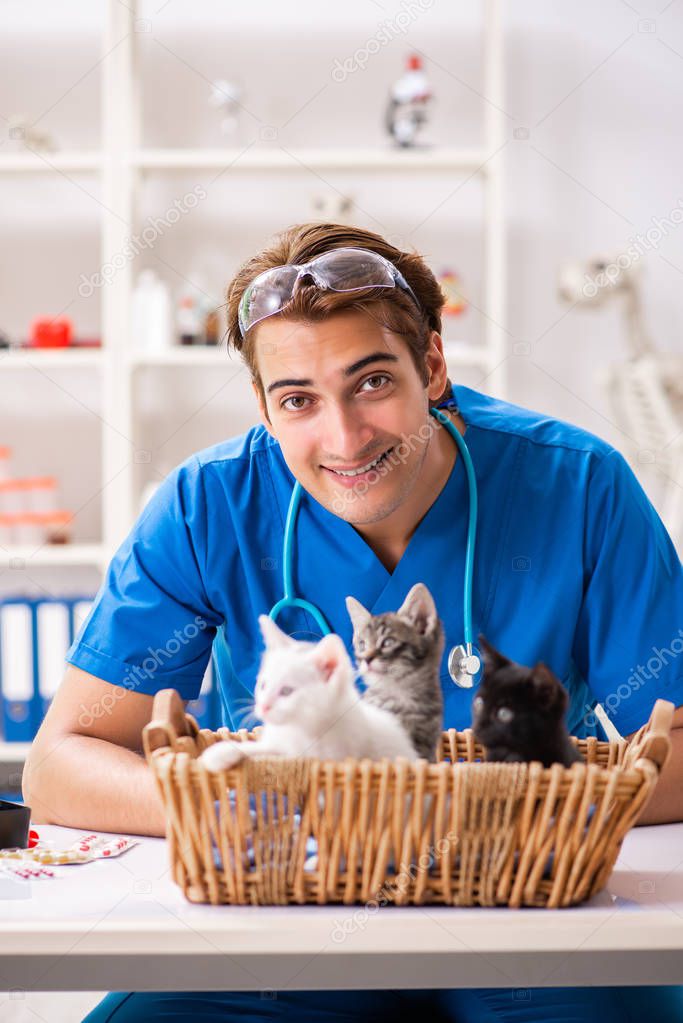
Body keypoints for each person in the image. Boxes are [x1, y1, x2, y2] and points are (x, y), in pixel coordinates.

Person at [23, 223, 683, 1022]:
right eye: (297, 398)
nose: (342, 438)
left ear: (432, 366)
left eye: (371, 382)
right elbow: (60, 762)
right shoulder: (208, 506)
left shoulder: (580, 486)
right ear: (264, 406)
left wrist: (487, 810)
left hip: (525, 906)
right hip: (285, 914)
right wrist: (248, 804)